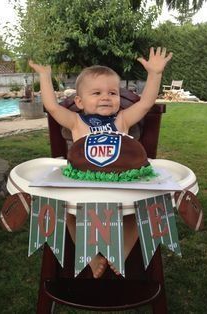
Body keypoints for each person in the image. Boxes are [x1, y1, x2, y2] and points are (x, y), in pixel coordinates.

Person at [29, 47, 172, 278]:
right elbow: (53, 107)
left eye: (113, 93)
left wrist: (154, 74)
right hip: (84, 188)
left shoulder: (122, 119)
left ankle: (123, 249)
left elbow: (146, 104)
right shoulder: (76, 121)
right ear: (79, 101)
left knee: (144, 206)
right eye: (96, 93)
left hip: (123, 186)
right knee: (68, 211)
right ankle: (91, 254)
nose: (106, 97)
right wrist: (45, 77)